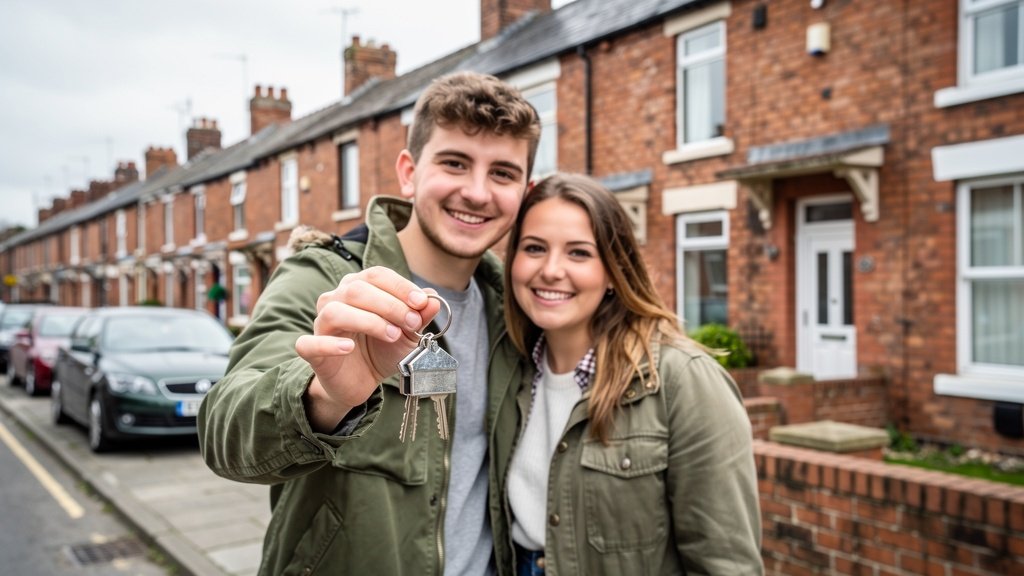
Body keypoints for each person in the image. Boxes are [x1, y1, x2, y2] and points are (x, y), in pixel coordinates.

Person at [198, 71, 541, 576]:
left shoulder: (514, 311)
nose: (476, 192)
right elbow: (222, 429)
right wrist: (322, 397)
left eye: (503, 174)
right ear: (408, 171)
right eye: (454, 163)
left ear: (525, 190)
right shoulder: (324, 279)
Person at [494, 173, 764, 575]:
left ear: (613, 270)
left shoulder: (683, 380)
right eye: (534, 248)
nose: (550, 270)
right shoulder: (507, 371)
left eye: (579, 253)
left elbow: (726, 562)